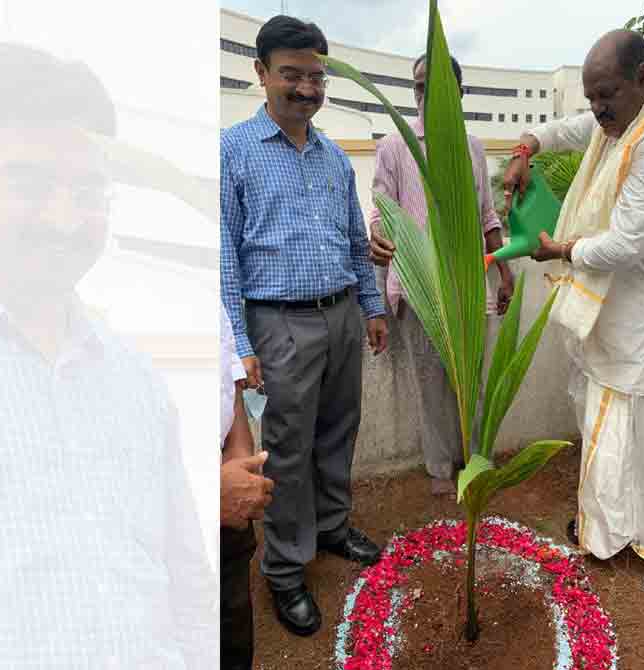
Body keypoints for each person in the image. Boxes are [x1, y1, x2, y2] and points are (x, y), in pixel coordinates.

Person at [0, 43, 215, 668]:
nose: (63, 218)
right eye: (29, 183)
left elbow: (186, 588)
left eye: (86, 190)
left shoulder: (133, 379)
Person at [505, 29, 644, 602]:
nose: (596, 110)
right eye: (592, 97)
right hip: (617, 307)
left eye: (606, 96)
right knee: (608, 417)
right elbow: (566, 128)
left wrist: (558, 249)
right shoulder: (614, 118)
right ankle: (611, 526)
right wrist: (525, 149)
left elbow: (622, 245)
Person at [220, 15, 386, 638]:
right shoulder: (232, 151)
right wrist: (240, 343)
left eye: (316, 76)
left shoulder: (335, 158)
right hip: (279, 323)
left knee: (340, 429)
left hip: (341, 313)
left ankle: (332, 526)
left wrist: (370, 308)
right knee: (286, 451)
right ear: (261, 73)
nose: (306, 88)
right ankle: (286, 568)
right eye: (291, 74)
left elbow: (352, 242)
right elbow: (224, 256)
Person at [368, 53, 515, 496]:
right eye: (418, 86)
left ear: (458, 92)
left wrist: (504, 273)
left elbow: (487, 215)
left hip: (468, 286)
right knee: (430, 382)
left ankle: (476, 460)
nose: (425, 94)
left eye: (436, 86)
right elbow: (380, 208)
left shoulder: (472, 147)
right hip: (419, 287)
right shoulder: (394, 146)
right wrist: (378, 232)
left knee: (472, 378)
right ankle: (438, 467)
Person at [220, 306, 273, 670]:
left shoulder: (203, 298)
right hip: (158, 529)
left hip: (226, 519)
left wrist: (238, 464)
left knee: (233, 634)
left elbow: (231, 394)